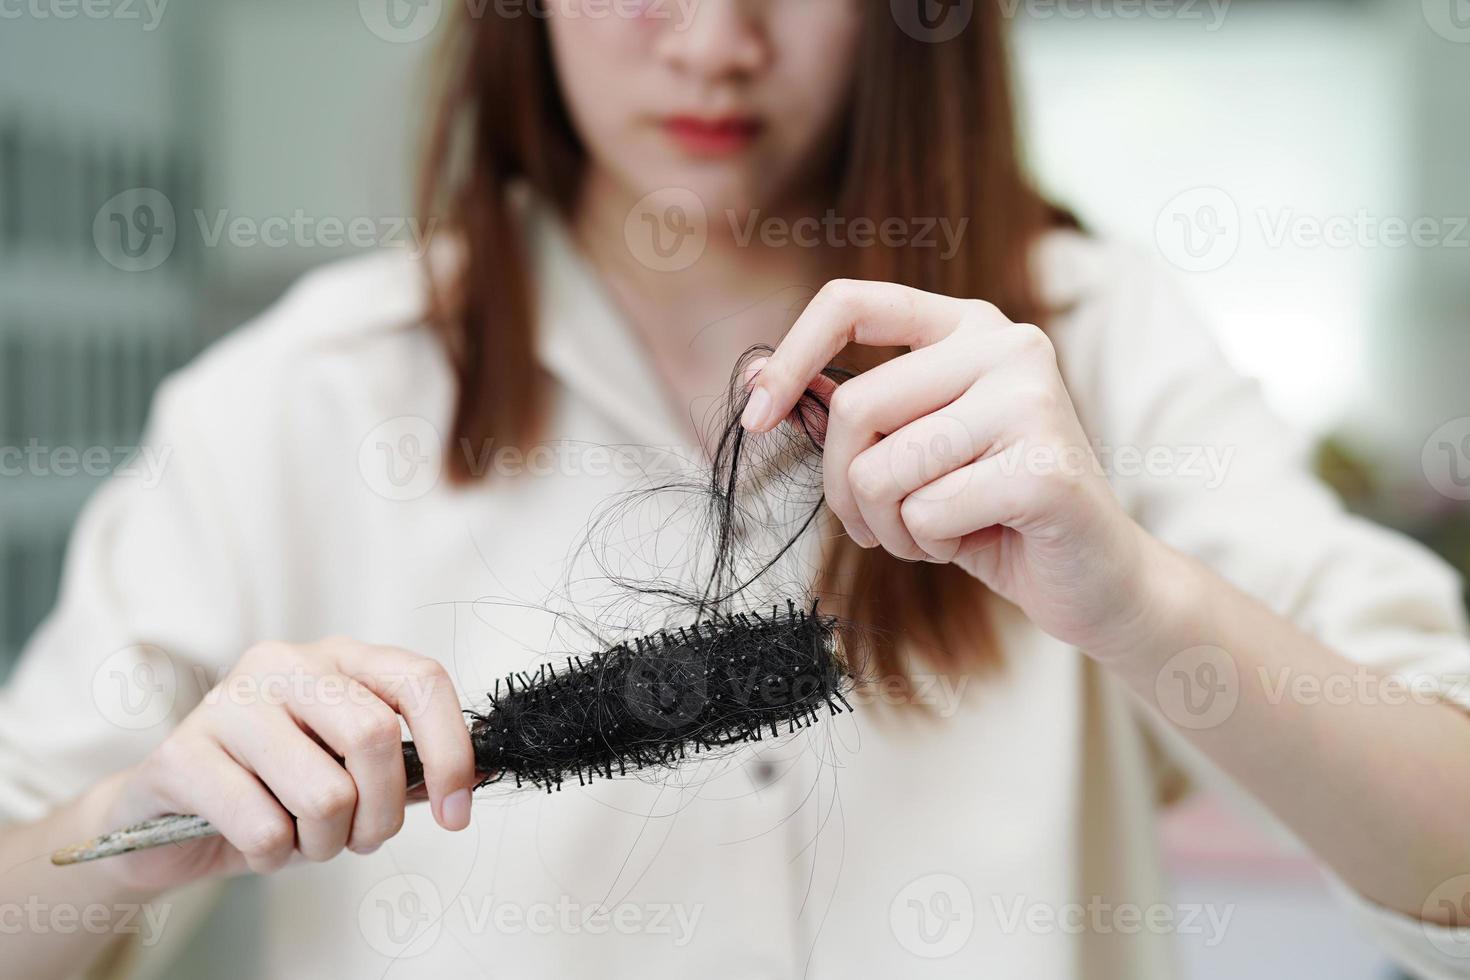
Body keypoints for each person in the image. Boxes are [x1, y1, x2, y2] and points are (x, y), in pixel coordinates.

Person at [3, 2, 1469, 977]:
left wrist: (1143, 601)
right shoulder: (296, 399)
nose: (713, 42)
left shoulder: (1095, 341)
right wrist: (134, 820)